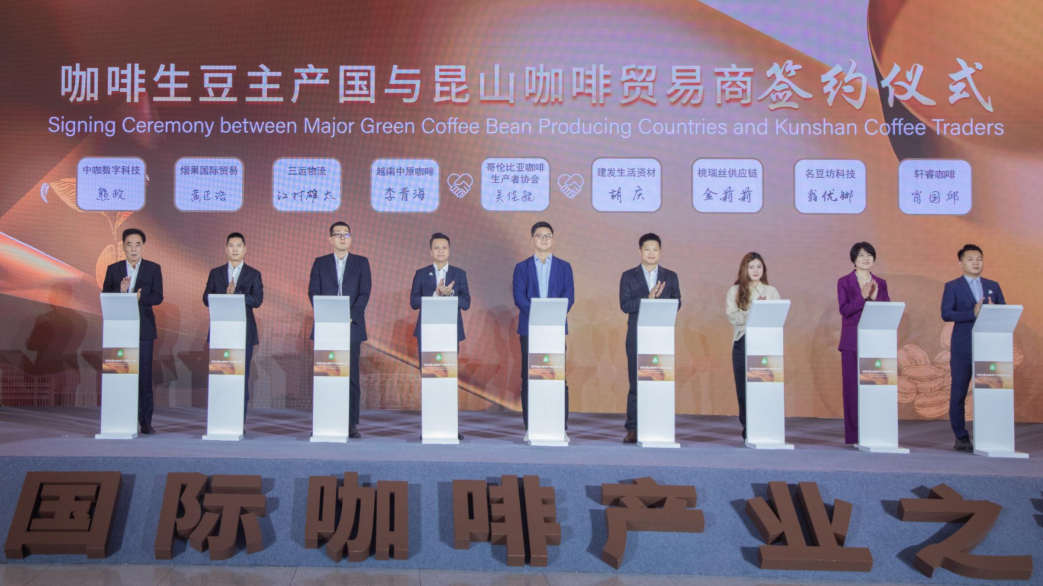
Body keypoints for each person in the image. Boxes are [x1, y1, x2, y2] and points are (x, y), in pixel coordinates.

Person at [308, 221, 371, 439]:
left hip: (351, 327)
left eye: (346, 234)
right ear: (330, 239)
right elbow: (313, 292)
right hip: (326, 328)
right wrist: (328, 315)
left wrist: (350, 315)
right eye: (338, 234)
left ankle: (350, 423)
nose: (343, 237)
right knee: (326, 375)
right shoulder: (320, 263)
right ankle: (324, 418)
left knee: (350, 376)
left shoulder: (361, 262)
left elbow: (364, 293)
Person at [941, 244, 1005, 452]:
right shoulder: (952, 286)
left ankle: (990, 433)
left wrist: (995, 312)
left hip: (989, 347)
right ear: (960, 264)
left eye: (979, 259)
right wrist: (972, 313)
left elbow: (1004, 312)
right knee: (959, 392)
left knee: (990, 392)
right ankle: (961, 437)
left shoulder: (993, 285)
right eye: (970, 259)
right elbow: (946, 313)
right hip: (964, 347)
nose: (976, 263)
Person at [618, 233, 681, 444]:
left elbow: (677, 303)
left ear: (660, 252)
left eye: (655, 250)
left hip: (661, 337)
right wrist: (648, 298)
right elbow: (625, 305)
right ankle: (633, 428)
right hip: (636, 336)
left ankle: (659, 424)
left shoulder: (670, 276)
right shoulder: (628, 276)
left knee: (660, 382)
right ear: (640, 251)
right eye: (647, 249)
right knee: (636, 384)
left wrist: (659, 302)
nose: (651, 253)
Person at [512, 221, 574, 433]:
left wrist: (551, 317)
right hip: (530, 330)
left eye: (548, 236)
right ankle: (531, 427)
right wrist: (539, 316)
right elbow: (519, 298)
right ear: (532, 240)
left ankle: (560, 426)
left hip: (554, 330)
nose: (544, 239)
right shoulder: (522, 267)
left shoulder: (564, 267)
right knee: (529, 379)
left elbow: (569, 297)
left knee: (557, 377)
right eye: (540, 236)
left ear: (553, 240)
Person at [102, 228, 163, 434]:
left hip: (143, 330)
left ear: (143, 247)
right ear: (123, 247)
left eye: (137, 244)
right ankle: (120, 416)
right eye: (129, 244)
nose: (133, 249)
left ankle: (145, 422)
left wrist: (138, 298)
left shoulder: (153, 268)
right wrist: (122, 293)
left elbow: (158, 296)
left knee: (144, 377)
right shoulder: (113, 269)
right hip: (119, 330)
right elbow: (105, 295)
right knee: (120, 374)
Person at [410, 232, 470, 439]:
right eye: (437, 248)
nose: (441, 251)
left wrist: (450, 293)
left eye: (444, 247)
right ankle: (430, 426)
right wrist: (435, 294)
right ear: (431, 251)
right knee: (430, 380)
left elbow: (466, 303)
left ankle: (449, 426)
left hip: (449, 333)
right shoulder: (421, 274)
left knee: (447, 379)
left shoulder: (459, 274)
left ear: (449, 250)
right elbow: (414, 302)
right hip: (428, 334)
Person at [203, 232, 263, 419]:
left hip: (243, 332)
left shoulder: (253, 274)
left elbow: (257, 300)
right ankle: (219, 418)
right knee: (220, 376)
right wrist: (224, 295)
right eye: (231, 245)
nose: (235, 249)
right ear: (226, 249)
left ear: (245, 249)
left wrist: (236, 294)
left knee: (240, 377)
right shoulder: (216, 273)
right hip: (221, 331)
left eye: (239, 246)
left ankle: (238, 420)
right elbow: (206, 298)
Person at [837, 242, 889, 446]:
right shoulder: (844, 281)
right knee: (852, 390)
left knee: (875, 388)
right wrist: (863, 297)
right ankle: (854, 436)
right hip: (852, 341)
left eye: (869, 255)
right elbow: (844, 310)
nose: (866, 259)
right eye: (861, 255)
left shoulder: (881, 283)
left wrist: (875, 298)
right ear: (854, 260)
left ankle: (875, 430)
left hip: (875, 341)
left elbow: (887, 311)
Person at [725, 252, 780, 441]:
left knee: (766, 388)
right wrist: (754, 310)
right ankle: (748, 428)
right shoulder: (735, 291)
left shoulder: (771, 291)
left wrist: (763, 311)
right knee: (744, 389)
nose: (755, 270)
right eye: (751, 267)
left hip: (766, 344)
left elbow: (777, 316)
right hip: (743, 341)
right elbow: (734, 317)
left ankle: (767, 427)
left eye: (759, 266)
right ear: (744, 269)